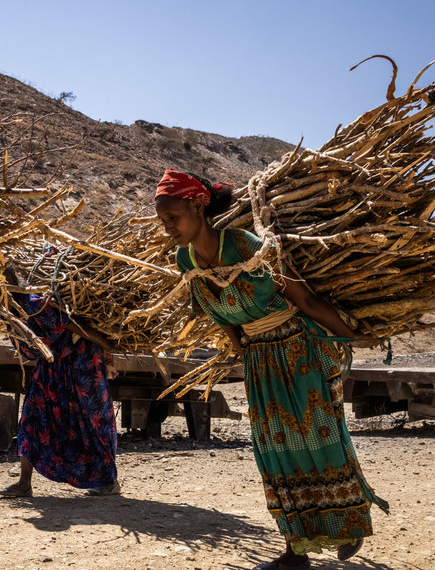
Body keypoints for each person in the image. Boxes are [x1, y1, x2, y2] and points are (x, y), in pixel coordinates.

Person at [154, 169, 388, 570]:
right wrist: (242, 354)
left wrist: (352, 336)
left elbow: (305, 299)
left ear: (197, 206)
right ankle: (295, 550)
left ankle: (348, 523)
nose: (168, 228)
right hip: (259, 361)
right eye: (163, 221)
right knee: (275, 451)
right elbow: (221, 318)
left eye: (173, 217)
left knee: (321, 439)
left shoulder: (244, 245)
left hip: (300, 350)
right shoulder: (184, 259)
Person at [0, 264, 121, 498]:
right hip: (51, 365)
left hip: (82, 359)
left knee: (93, 418)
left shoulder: (34, 303)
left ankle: (109, 480)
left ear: (12, 281)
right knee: (32, 416)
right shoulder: (9, 312)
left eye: (2, 279)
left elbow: (73, 325)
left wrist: (105, 345)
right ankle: (24, 483)